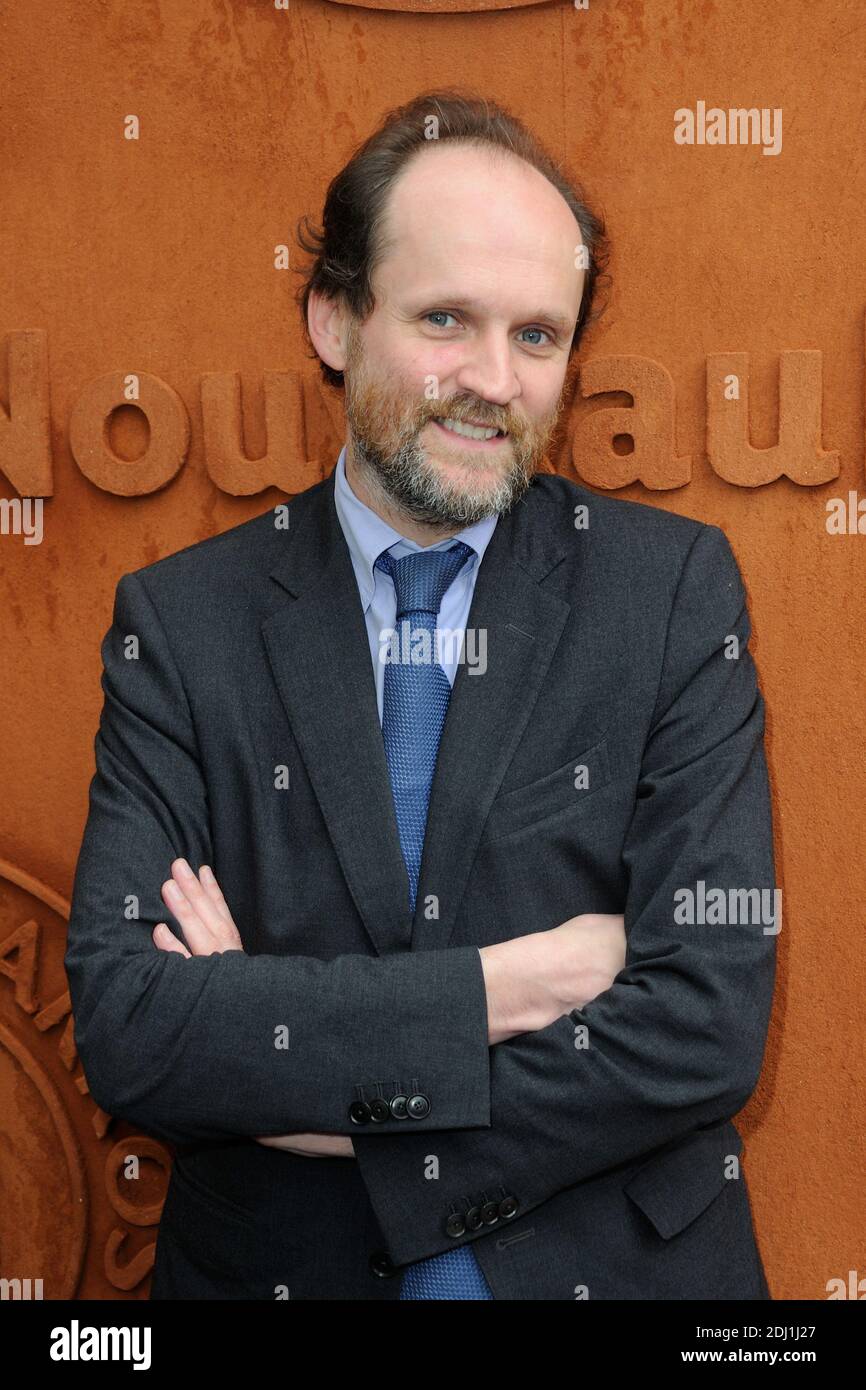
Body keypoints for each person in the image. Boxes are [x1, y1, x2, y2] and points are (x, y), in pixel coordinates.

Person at [64, 90, 776, 1300]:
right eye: (446, 319)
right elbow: (135, 1029)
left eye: (537, 336)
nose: (492, 380)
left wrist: (308, 1086)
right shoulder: (183, 627)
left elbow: (702, 1024)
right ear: (334, 317)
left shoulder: (666, 594)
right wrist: (510, 987)